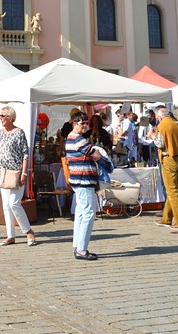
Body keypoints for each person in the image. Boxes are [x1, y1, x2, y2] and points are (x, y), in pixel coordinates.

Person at [0, 105, 35, 247]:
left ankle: (28, 231)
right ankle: (10, 235)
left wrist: (24, 172)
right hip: (2, 173)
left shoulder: (19, 133)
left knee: (14, 203)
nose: (0, 118)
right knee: (5, 205)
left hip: (16, 172)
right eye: (0, 116)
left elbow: (25, 154)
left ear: (10, 118)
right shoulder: (0, 133)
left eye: (3, 116)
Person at [66, 111, 101, 260]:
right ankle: (82, 249)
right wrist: (96, 153)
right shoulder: (78, 139)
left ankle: (78, 246)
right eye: (82, 123)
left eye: (87, 123)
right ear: (75, 123)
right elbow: (95, 154)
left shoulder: (70, 138)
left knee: (80, 214)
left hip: (78, 180)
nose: (86, 125)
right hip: (83, 180)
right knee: (88, 213)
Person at [154, 106, 178, 232]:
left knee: (172, 191)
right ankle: (166, 218)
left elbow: (160, 144)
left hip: (169, 158)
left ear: (159, 117)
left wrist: (152, 137)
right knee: (174, 189)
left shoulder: (162, 126)